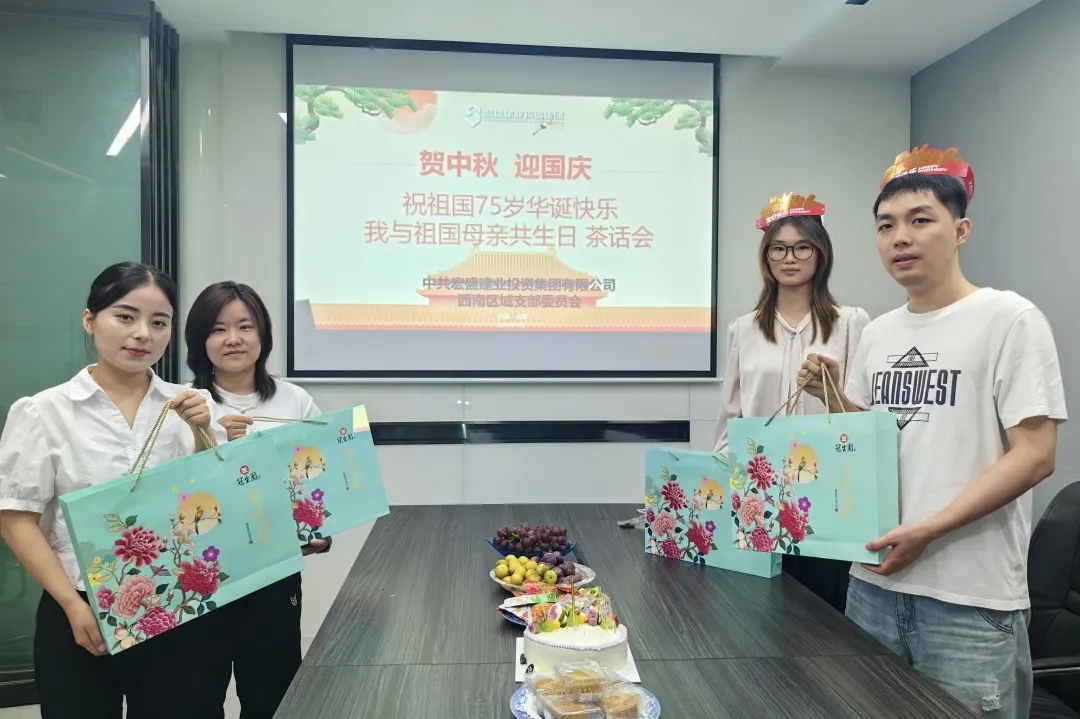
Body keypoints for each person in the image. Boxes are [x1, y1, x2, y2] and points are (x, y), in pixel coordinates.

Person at [800, 145, 1066, 719]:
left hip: (968, 599)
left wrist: (929, 529)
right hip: (872, 584)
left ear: (961, 229)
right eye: (886, 226)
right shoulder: (880, 333)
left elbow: (1036, 454)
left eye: (920, 220)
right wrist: (832, 396)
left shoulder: (1010, 319)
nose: (901, 237)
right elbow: (870, 438)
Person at [0, 262, 221, 719]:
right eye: (125, 316)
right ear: (90, 320)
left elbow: (212, 504)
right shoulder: (44, 412)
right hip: (77, 607)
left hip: (174, 605)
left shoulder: (189, 407)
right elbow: (16, 517)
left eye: (159, 322)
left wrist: (204, 433)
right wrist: (71, 605)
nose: (142, 334)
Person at [714, 192, 869, 612]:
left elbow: (864, 415)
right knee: (757, 610)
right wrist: (718, 479)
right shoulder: (743, 329)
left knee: (823, 615)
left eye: (802, 247)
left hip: (828, 493)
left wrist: (830, 391)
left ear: (821, 254)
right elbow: (731, 418)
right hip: (759, 490)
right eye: (778, 248)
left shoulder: (850, 323)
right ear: (766, 257)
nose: (789, 258)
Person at [185, 280, 329, 719]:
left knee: (273, 695)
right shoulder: (186, 404)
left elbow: (319, 477)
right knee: (196, 696)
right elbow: (173, 495)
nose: (233, 338)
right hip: (201, 578)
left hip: (273, 574)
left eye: (245, 326)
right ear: (199, 340)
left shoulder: (293, 399)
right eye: (218, 329)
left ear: (262, 334)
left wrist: (318, 533)